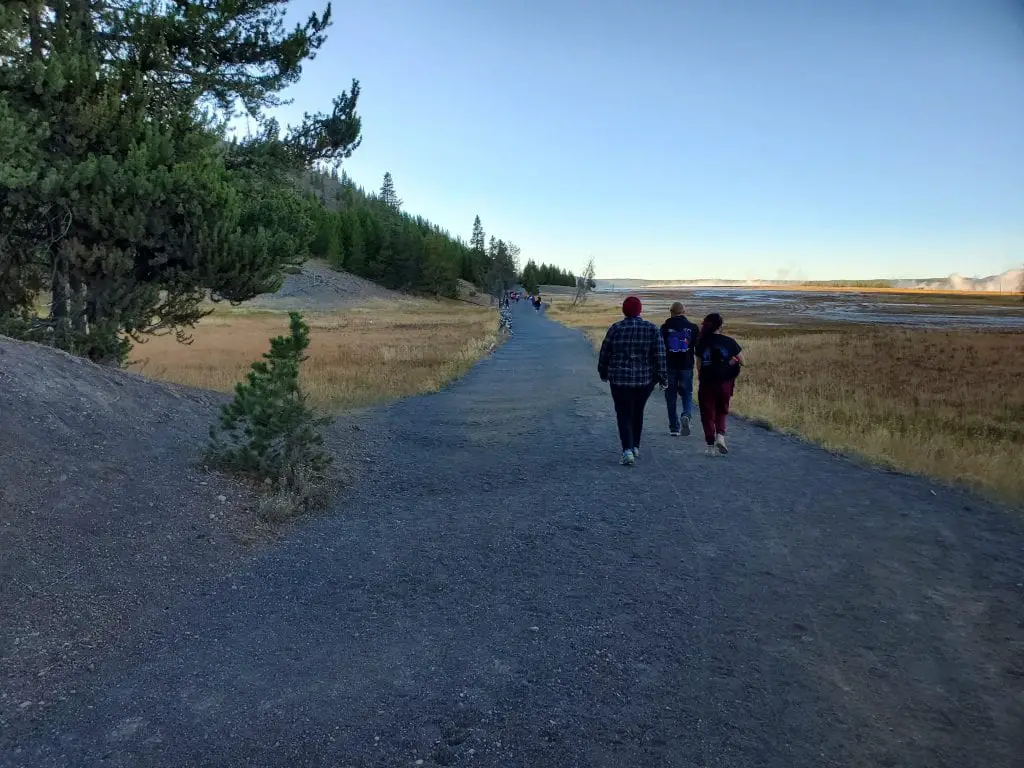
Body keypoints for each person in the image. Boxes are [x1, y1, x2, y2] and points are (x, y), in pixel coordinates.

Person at [598, 296, 668, 465]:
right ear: (640, 310)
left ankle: (627, 450)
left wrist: (603, 371)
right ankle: (635, 446)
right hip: (644, 381)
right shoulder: (651, 329)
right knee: (638, 412)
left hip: (620, 380)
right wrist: (663, 377)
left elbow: (605, 352)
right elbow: (660, 355)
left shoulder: (616, 328)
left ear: (624, 310)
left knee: (623, 414)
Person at [694, 312, 743, 456]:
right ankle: (720, 436)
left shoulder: (701, 343)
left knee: (707, 413)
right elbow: (743, 361)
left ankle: (710, 447)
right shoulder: (729, 342)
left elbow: (699, 367)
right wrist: (732, 362)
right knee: (722, 410)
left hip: (707, 382)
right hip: (725, 382)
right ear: (720, 326)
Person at [660, 301, 701, 437]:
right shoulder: (693, 328)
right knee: (687, 393)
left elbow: (659, 348)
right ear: (684, 311)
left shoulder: (665, 327)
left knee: (670, 396)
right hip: (686, 366)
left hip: (669, 366)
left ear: (671, 312)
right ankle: (686, 415)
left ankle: (674, 427)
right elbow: (698, 349)